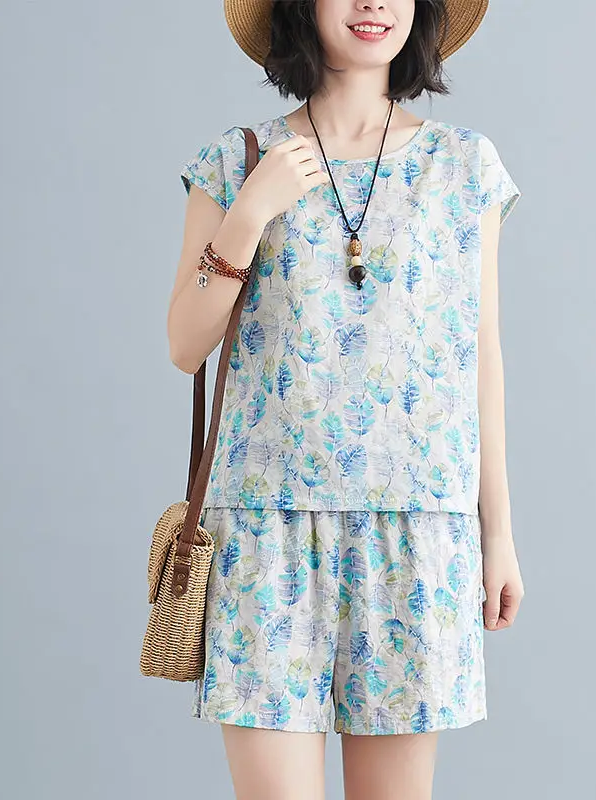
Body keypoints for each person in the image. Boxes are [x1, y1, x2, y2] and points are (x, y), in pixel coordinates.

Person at [167, 2, 525, 798]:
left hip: (417, 530)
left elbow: (481, 359)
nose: (373, 4)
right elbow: (185, 344)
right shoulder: (236, 161)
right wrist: (251, 210)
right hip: (266, 531)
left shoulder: (464, 166)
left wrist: (497, 535)